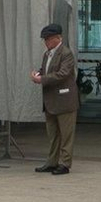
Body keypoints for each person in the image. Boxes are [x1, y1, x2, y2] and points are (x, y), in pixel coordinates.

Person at [33, 23, 76, 175]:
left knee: (66, 135)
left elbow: (62, 74)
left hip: (64, 100)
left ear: (58, 38)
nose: (46, 42)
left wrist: (42, 79)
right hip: (50, 101)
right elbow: (46, 71)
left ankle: (65, 163)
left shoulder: (66, 53)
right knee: (53, 135)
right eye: (45, 39)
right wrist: (38, 74)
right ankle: (52, 162)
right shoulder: (47, 54)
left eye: (49, 39)